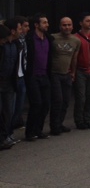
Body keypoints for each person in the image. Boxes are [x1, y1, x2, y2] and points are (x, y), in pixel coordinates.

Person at [49, 17, 81, 135]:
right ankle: (54, 126)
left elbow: (74, 58)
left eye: (69, 25)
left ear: (72, 26)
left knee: (66, 101)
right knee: (58, 100)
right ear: (60, 26)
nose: (67, 27)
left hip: (67, 74)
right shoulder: (52, 38)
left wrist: (73, 72)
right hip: (54, 74)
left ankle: (59, 123)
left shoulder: (76, 41)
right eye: (64, 25)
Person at [24, 13, 54, 141]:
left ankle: (38, 130)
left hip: (45, 75)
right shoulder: (29, 39)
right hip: (33, 76)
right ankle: (30, 132)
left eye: (47, 22)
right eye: (44, 22)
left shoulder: (49, 38)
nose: (47, 25)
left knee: (46, 104)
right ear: (36, 25)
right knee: (36, 103)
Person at [0, 20, 21, 149]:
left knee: (8, 111)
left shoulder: (16, 44)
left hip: (9, 82)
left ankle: (5, 136)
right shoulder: (3, 46)